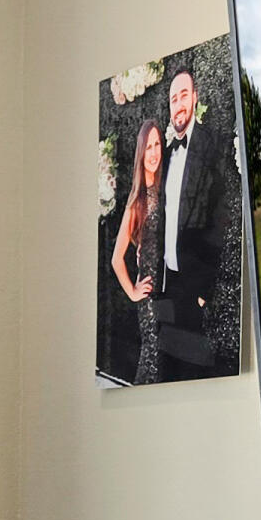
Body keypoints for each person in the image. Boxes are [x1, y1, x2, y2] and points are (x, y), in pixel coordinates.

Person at [155, 67, 232, 378]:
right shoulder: (164, 151)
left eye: (184, 95)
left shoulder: (213, 145)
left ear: (195, 97)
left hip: (193, 284)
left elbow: (220, 217)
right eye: (174, 99)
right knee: (167, 370)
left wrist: (203, 288)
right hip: (166, 282)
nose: (179, 103)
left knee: (194, 371)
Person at [108, 118, 165, 383]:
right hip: (150, 301)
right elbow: (116, 259)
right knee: (152, 361)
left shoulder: (167, 186)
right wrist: (133, 291)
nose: (153, 152)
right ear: (141, 154)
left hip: (172, 291)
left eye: (157, 144)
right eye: (148, 147)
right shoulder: (137, 202)